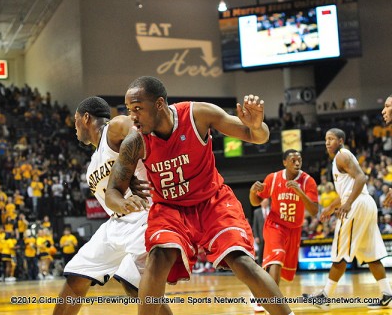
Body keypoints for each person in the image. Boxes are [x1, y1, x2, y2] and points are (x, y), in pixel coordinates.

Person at [105, 76, 293, 315]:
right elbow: (113, 190)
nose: (133, 116)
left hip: (212, 201)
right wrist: (123, 202)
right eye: (130, 110)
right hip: (170, 208)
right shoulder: (134, 141)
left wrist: (256, 125)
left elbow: (258, 136)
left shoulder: (197, 115)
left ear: (159, 104)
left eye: (138, 109)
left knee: (241, 261)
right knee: (158, 258)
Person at [53, 96, 171, 315]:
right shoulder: (92, 166)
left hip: (144, 214)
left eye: (76, 121)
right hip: (116, 222)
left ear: (86, 118)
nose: (74, 128)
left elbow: (140, 131)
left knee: (134, 284)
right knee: (76, 276)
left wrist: (128, 165)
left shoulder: (113, 128)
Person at [304, 128, 392, 310]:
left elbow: (361, 178)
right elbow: (348, 189)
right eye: (326, 139)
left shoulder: (342, 156)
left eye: (331, 139)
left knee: (340, 250)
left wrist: (347, 204)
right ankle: (387, 294)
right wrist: (331, 206)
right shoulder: (341, 159)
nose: (327, 142)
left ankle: (325, 296)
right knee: (371, 254)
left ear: (341, 141)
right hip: (364, 203)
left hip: (357, 204)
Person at [249, 150, 318, 286]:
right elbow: (255, 201)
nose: (297, 163)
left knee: (286, 272)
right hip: (275, 225)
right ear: (285, 162)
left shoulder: (307, 181)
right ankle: (272, 300)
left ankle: (264, 292)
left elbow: (314, 210)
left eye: (299, 160)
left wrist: (299, 191)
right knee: (277, 256)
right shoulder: (273, 178)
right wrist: (252, 192)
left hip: (294, 229)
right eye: (293, 160)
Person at [252, 198, 269, 265]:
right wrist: (256, 236)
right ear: (261, 203)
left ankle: (268, 266)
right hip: (261, 236)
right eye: (263, 202)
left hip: (270, 236)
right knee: (260, 252)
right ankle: (260, 267)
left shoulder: (271, 210)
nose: (265, 203)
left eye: (266, 202)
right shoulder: (257, 212)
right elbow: (255, 225)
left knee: (269, 253)